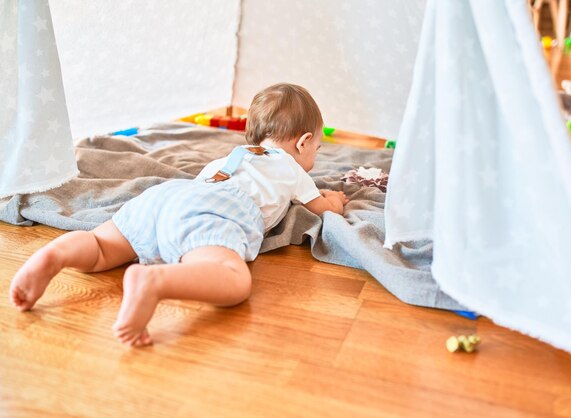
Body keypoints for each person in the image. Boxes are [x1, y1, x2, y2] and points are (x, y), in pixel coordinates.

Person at [9, 83, 349, 347]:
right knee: (233, 279)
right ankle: (154, 282)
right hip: (217, 212)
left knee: (100, 245)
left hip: (169, 197)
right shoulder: (290, 167)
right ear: (303, 142)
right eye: (317, 150)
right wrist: (334, 198)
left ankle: (55, 255)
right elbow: (322, 207)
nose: (314, 158)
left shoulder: (235, 156)